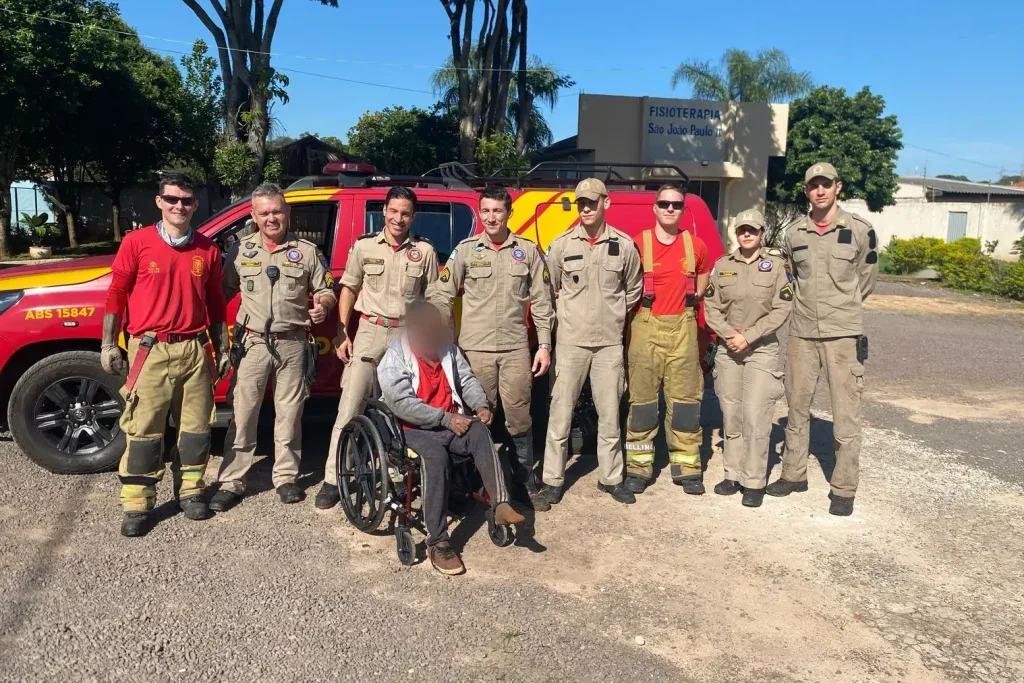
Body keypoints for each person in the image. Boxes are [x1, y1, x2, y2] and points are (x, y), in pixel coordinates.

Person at [100, 174, 229, 537]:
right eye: (172, 199)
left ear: (195, 204)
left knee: (196, 430)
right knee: (144, 431)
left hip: (193, 348)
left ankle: (191, 492)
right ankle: (138, 503)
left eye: (187, 200)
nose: (179, 206)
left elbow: (217, 303)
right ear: (159, 201)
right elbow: (116, 295)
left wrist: (222, 349)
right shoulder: (136, 242)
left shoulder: (207, 249)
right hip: (149, 348)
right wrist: (109, 343)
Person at [209, 183, 337, 511]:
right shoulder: (240, 251)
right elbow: (221, 292)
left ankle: (286, 477)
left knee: (290, 414)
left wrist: (322, 305)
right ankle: (232, 481)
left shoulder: (306, 251)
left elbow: (326, 289)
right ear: (253, 216)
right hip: (251, 341)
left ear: (287, 212)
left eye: (277, 211)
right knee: (243, 411)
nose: (271, 218)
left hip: (293, 341)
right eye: (264, 213)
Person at [426, 185, 555, 509]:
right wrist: (443, 337)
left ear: (509, 213)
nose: (491, 217)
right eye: (485, 211)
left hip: (514, 351)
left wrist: (544, 346)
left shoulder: (526, 251)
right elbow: (442, 295)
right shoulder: (466, 251)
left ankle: (523, 481)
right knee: (473, 417)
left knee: (519, 418)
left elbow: (542, 301)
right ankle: (469, 482)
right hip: (475, 351)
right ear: (480, 213)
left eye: (498, 210)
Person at [378, 299, 525, 575]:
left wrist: (480, 405)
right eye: (429, 332)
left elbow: (467, 381)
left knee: (479, 431)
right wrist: (444, 418)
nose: (435, 337)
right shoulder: (395, 356)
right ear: (413, 331)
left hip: (449, 423)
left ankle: (500, 503)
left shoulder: (447, 348)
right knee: (436, 456)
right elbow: (400, 403)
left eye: (438, 330)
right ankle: (438, 541)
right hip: (411, 430)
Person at [316, 186, 439, 510]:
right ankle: (333, 478)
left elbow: (434, 298)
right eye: (394, 211)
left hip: (406, 336)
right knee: (350, 406)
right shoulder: (364, 246)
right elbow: (349, 288)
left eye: (406, 213)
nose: (399, 218)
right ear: (384, 211)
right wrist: (343, 332)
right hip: (370, 330)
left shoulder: (424, 252)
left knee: (401, 409)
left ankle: (398, 476)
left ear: (413, 216)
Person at [769, 163, 878, 516]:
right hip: (801, 332)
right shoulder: (795, 233)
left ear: (837, 187)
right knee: (796, 408)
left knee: (846, 411)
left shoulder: (860, 230)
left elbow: (866, 279)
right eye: (813, 185)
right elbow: (790, 275)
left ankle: (844, 487)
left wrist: (841, 307)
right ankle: (793, 474)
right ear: (806, 191)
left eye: (826, 184)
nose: (820, 190)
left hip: (843, 335)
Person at [536, 178, 644, 507]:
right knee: (560, 414)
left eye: (591, 202)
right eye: (580, 202)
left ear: (605, 203)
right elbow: (548, 289)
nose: (585, 208)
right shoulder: (562, 245)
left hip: (609, 344)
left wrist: (610, 316)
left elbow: (633, 289)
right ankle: (553, 480)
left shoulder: (624, 245)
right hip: (570, 343)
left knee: (610, 414)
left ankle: (611, 478)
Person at [622, 183, 712, 495]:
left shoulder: (696, 245)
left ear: (683, 209)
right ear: (655, 208)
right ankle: (638, 469)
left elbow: (703, 279)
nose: (670, 209)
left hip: (683, 329)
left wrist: (693, 299)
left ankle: (688, 469)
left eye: (676, 204)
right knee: (643, 403)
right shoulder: (638, 243)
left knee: (686, 403)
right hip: (646, 327)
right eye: (664, 204)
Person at [703, 209, 792, 507]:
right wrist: (730, 335)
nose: (747, 234)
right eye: (742, 230)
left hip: (761, 349)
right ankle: (732, 474)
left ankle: (753, 481)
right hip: (729, 350)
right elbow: (711, 306)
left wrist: (749, 336)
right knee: (732, 414)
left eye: (752, 230)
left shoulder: (777, 266)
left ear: (762, 232)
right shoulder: (723, 265)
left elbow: (782, 308)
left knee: (756, 415)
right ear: (736, 233)